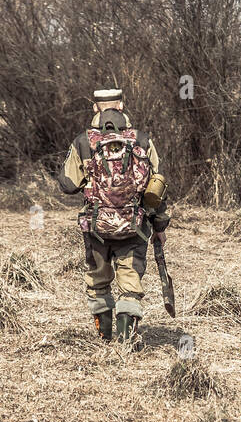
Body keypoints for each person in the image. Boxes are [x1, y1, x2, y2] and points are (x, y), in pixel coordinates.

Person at [55, 89, 170, 342]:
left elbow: (67, 185)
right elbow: (157, 186)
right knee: (130, 284)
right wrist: (160, 225)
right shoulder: (142, 139)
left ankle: (105, 337)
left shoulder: (82, 141)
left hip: (96, 227)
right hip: (135, 226)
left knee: (98, 281)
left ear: (95, 108)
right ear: (121, 106)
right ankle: (127, 339)